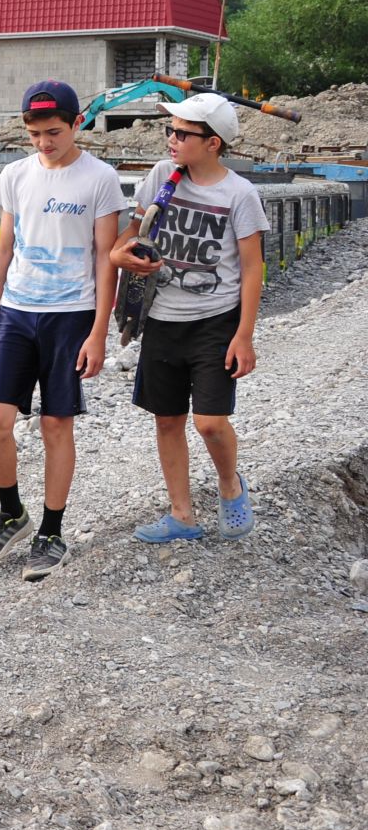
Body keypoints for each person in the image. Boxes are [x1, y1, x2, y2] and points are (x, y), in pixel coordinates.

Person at [0, 81, 130, 581]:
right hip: (17, 311)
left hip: (72, 315)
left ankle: (52, 530)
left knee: (55, 424)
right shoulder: (15, 175)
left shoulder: (101, 179)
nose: (44, 142)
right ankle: (12, 512)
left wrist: (100, 331)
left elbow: (108, 261)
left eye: (54, 132)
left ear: (77, 123)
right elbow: (4, 251)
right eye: (35, 134)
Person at [109, 93, 264, 542]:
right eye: (170, 131)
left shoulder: (240, 194)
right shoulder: (162, 176)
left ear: (213, 143)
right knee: (167, 418)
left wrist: (245, 335)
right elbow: (131, 234)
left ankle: (230, 485)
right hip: (161, 318)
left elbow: (253, 267)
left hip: (215, 320)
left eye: (182, 133)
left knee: (210, 422)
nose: (172, 141)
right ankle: (182, 515)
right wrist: (123, 257)